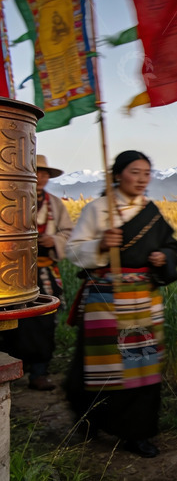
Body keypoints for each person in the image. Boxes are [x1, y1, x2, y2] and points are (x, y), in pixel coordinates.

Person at [64, 150, 177, 458]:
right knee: (100, 365)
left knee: (141, 366)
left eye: (147, 173)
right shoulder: (98, 209)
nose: (142, 179)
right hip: (105, 300)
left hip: (143, 300)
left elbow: (172, 246)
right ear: (117, 175)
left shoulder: (152, 212)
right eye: (135, 172)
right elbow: (73, 252)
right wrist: (100, 244)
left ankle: (137, 431)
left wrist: (163, 258)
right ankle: (90, 417)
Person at [0, 155, 73, 391]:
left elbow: (68, 232)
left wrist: (54, 239)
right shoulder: (8, 199)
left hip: (44, 271)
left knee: (43, 322)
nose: (40, 177)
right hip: (10, 273)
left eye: (44, 174)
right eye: (36, 172)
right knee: (11, 322)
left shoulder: (55, 204)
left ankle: (39, 372)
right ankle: (12, 369)